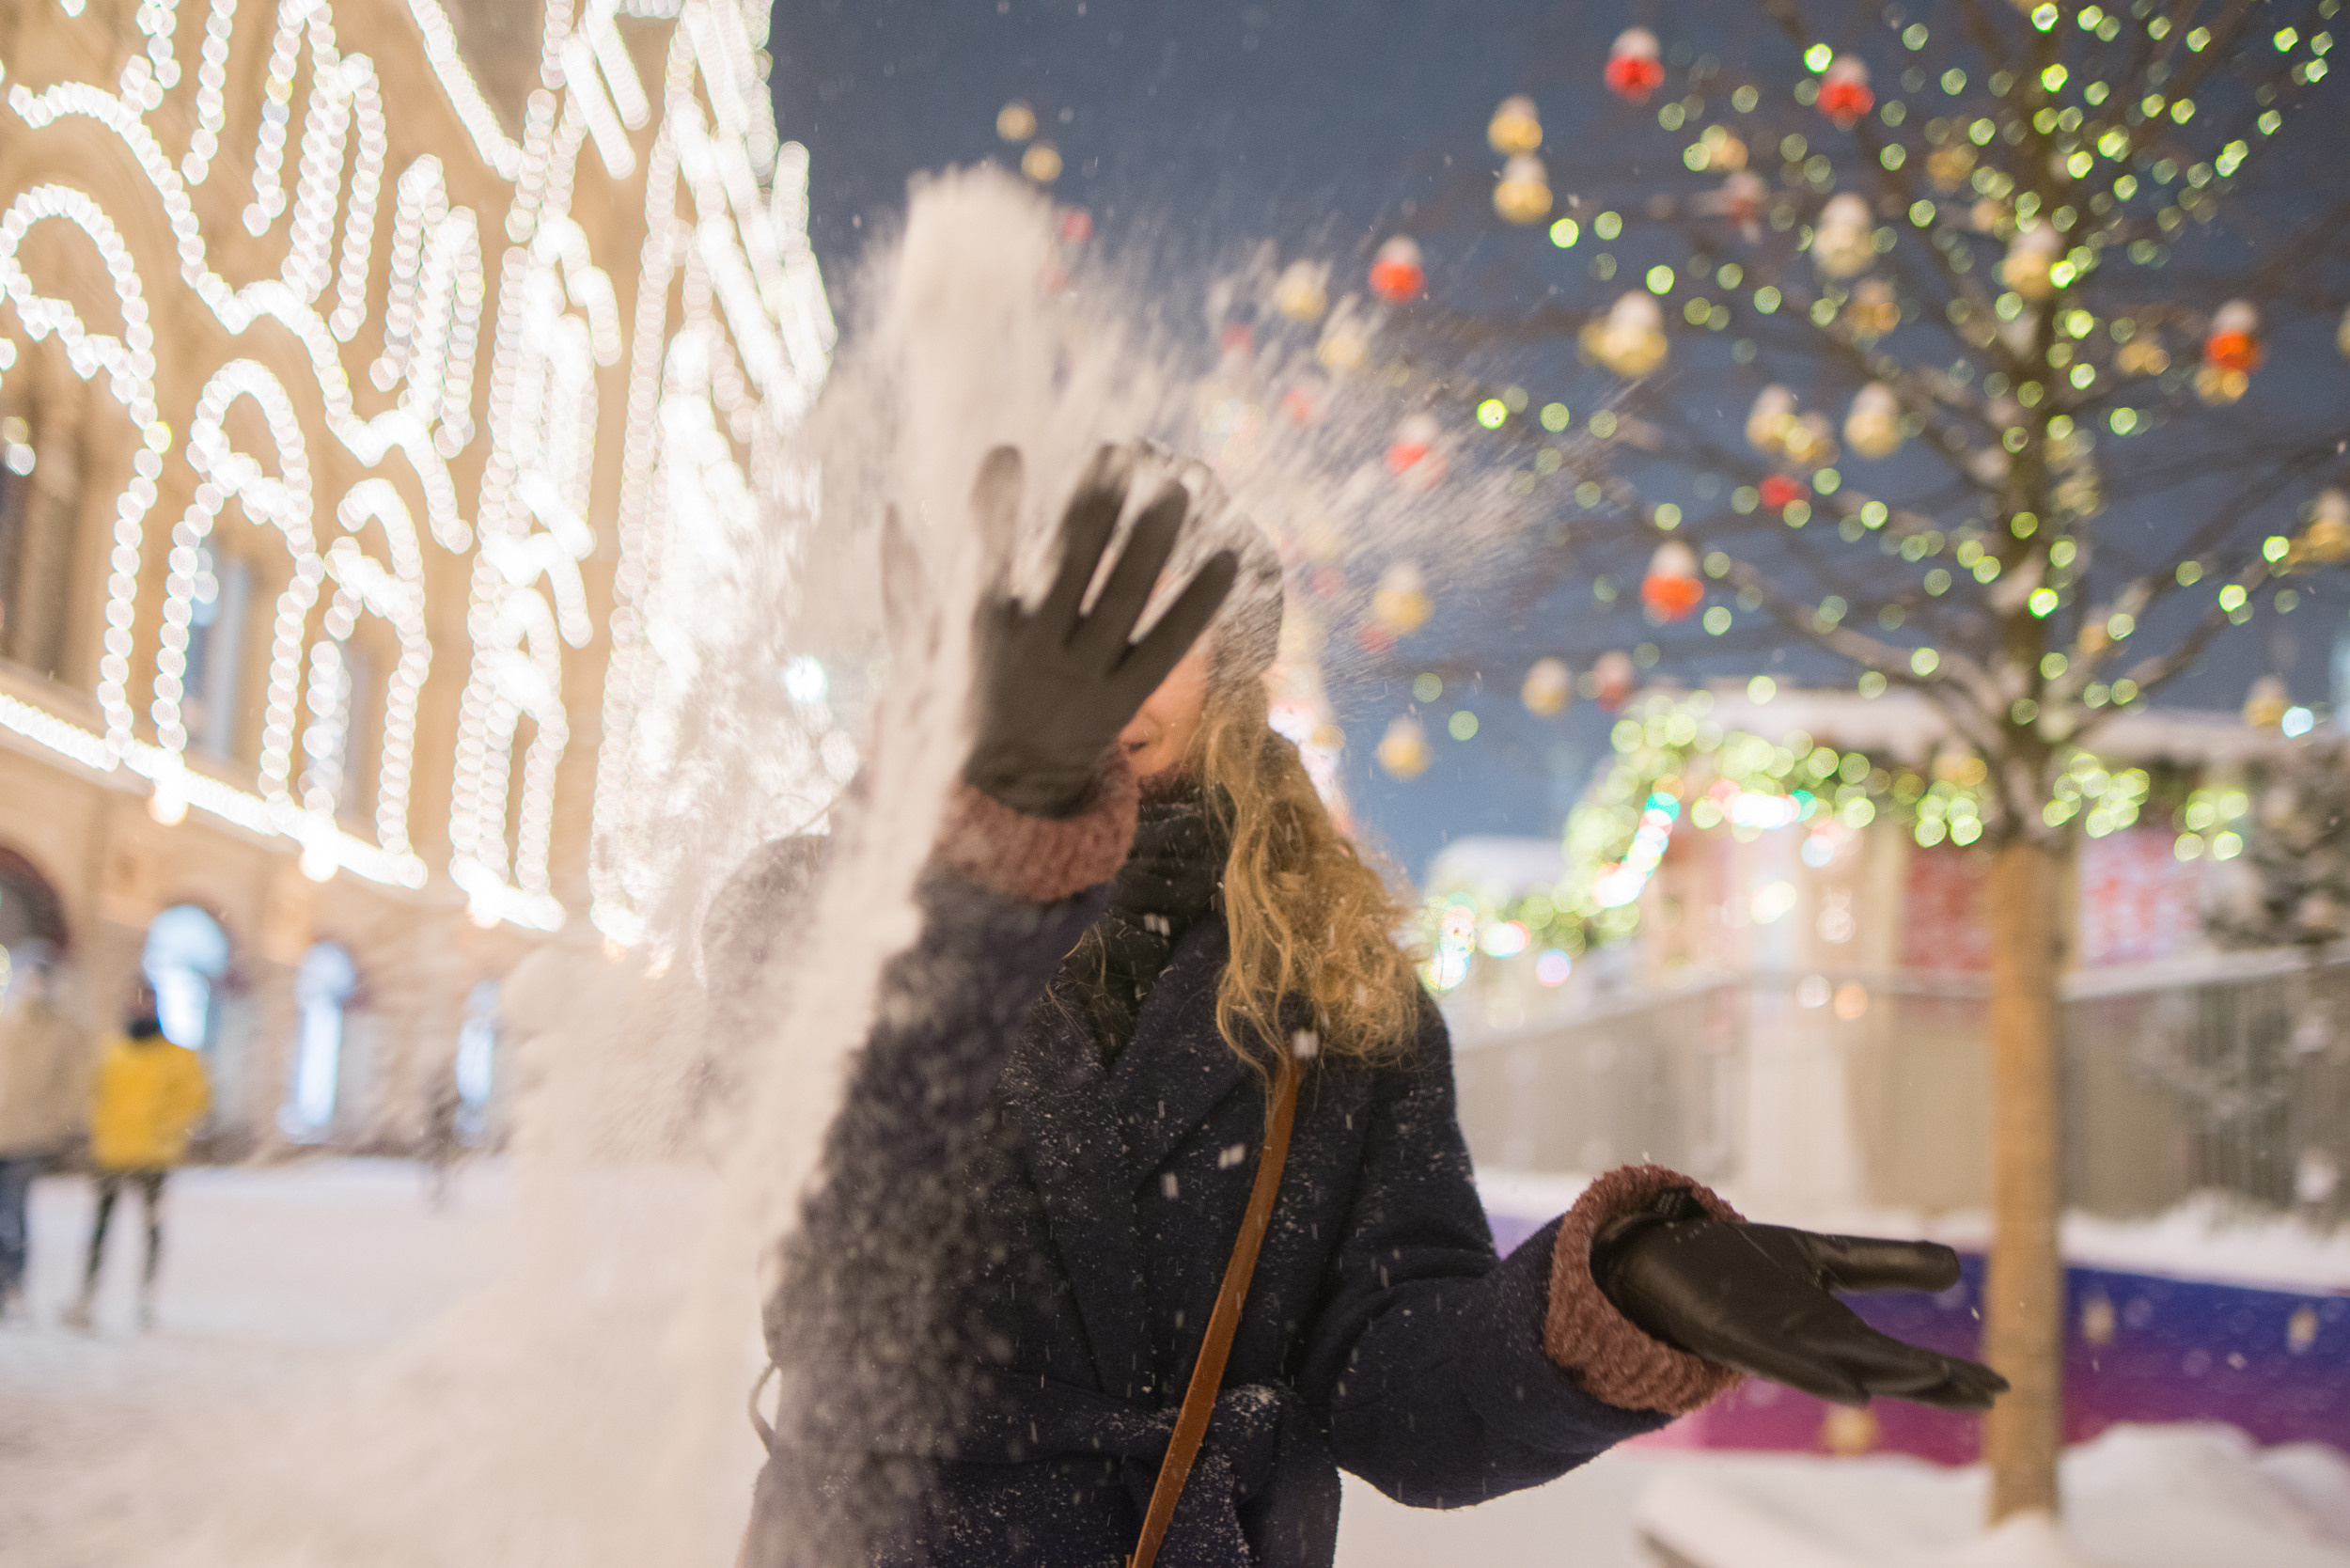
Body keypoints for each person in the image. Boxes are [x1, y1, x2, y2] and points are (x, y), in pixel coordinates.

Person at [738, 446, 2004, 1567]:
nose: (1110, 682)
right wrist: (994, 845)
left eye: (1156, 630)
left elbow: (1393, 1390)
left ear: (1229, 663)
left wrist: (1611, 1301)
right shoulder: (820, 905)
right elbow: (816, 1206)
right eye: (1068, 631)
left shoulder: (1335, 973)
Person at [65, 979, 209, 1333]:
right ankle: (87, 1294)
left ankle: (145, 1297)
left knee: (151, 1227)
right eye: (135, 1000)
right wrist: (97, 1128)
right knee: (100, 1228)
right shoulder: (113, 1048)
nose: (140, 1006)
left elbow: (194, 1098)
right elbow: (94, 1092)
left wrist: (166, 1129)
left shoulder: (177, 1054)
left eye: (146, 1000)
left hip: (153, 1155)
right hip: (111, 1152)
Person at [0, 947, 86, 1323]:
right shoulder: (5, 1021)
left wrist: (52, 1123)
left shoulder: (61, 1031)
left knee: (14, 1214)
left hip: (28, 1137)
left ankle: (13, 1284)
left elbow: (72, 1086)